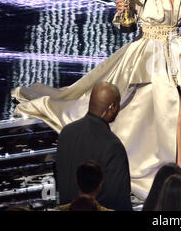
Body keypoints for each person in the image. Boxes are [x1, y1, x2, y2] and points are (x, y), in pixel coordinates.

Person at [12, 0, 181, 200]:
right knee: (161, 109)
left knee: (178, 109)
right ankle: (169, 167)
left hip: (175, 52)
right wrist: (124, 12)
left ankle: (177, 166)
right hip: (148, 54)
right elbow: (125, 26)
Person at [54, 82, 132, 211]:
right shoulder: (113, 146)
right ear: (112, 107)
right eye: (118, 104)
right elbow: (119, 199)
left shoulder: (66, 133)